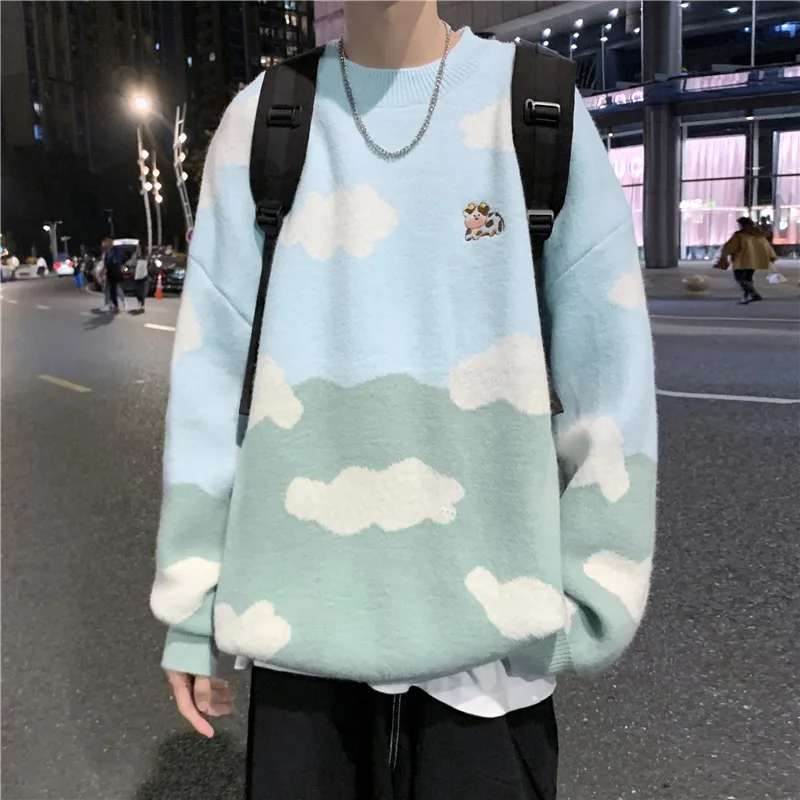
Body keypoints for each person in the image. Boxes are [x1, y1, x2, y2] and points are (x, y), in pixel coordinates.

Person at [150, 3, 658, 798]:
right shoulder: (265, 121)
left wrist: (592, 601)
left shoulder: (537, 108)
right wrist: (191, 608)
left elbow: (609, 383)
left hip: (491, 666)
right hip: (302, 651)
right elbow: (211, 382)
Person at [716, 216, 777, 304]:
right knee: (748, 278)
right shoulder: (758, 235)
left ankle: (754, 294)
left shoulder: (739, 236)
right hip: (753, 261)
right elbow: (767, 247)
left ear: (744, 225)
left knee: (740, 279)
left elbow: (729, 247)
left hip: (741, 261)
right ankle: (747, 296)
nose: (739, 226)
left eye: (740, 225)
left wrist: (723, 256)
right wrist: (772, 256)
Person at [101, 237, 127, 313]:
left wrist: (116, 262)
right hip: (109, 273)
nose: (103, 244)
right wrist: (103, 270)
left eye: (104, 243)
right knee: (108, 289)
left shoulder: (115, 250)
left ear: (108, 243)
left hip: (115, 273)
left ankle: (121, 303)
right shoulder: (107, 252)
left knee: (115, 289)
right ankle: (109, 304)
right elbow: (106, 263)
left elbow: (119, 259)